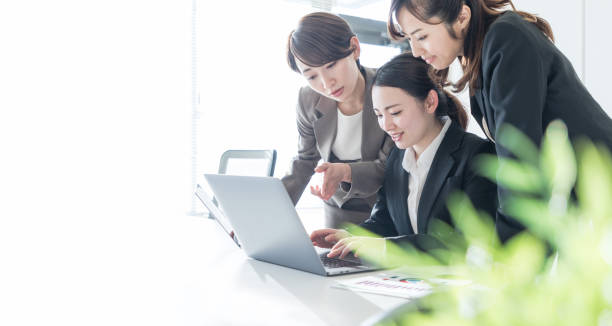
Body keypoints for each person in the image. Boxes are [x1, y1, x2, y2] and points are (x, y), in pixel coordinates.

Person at [387, 0, 612, 242]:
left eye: (421, 36)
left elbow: (518, 159)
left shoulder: (506, 37)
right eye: (409, 38)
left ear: (462, 17)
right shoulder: (480, 56)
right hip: (582, 202)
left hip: (599, 189)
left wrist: (505, 255)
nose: (416, 51)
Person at [310, 53, 497, 258]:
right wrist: (349, 237)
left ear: (429, 102)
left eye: (395, 113)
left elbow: (465, 242)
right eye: (379, 115)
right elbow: (385, 222)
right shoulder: (397, 158)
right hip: (405, 281)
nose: (387, 126)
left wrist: (383, 247)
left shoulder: (477, 155)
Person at [282, 12, 394, 228]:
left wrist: (344, 171)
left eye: (331, 65)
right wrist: (261, 216)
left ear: (354, 48)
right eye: (312, 75)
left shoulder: (389, 90)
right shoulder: (308, 99)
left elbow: (389, 168)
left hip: (385, 217)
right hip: (336, 218)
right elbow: (304, 162)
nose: (326, 83)